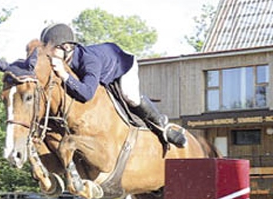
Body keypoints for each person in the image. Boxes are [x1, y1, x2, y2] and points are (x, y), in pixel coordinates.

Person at [40, 23, 187, 148]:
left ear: (65, 47)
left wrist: (64, 75)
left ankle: (162, 126)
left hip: (121, 64)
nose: (48, 55)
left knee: (130, 96)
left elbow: (86, 94)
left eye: (51, 49)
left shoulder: (89, 61)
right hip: (105, 64)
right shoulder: (66, 61)